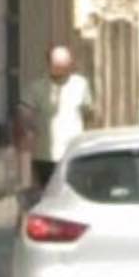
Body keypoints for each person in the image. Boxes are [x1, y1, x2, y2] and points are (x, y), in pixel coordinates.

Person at [29, 45, 93, 190]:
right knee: (48, 193)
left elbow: (88, 114)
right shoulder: (37, 87)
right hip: (45, 154)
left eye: (63, 65)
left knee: (72, 191)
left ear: (70, 64)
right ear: (49, 64)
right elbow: (27, 116)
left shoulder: (81, 84)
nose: (60, 69)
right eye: (56, 65)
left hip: (73, 152)